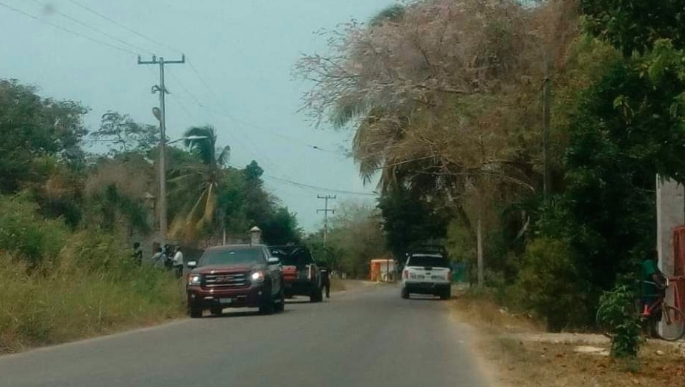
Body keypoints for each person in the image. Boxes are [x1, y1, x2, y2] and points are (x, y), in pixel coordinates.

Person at [641, 250, 667, 337]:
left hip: (655, 290)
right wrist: (660, 284)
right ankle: (644, 332)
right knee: (647, 312)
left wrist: (666, 280)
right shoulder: (648, 263)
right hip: (648, 290)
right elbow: (653, 275)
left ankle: (653, 332)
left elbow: (659, 274)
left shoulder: (654, 264)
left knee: (656, 311)